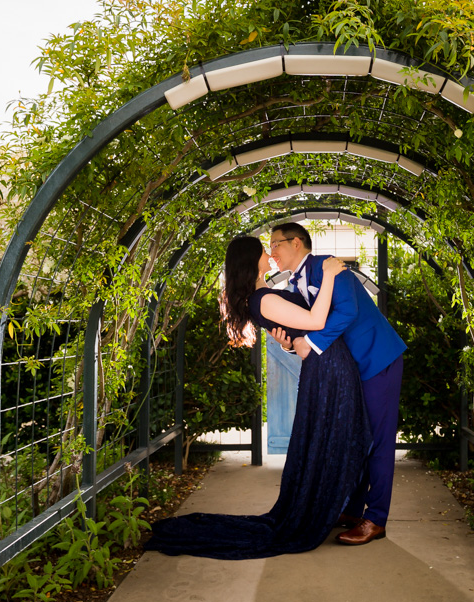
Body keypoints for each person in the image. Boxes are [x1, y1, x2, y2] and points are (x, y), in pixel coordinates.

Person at [144, 235, 373, 559]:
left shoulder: (264, 295)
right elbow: (315, 321)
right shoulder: (262, 299)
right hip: (328, 367)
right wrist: (333, 275)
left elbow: (298, 331)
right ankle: (322, 509)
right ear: (251, 260)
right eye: (263, 250)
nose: (269, 253)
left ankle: (328, 506)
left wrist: (288, 342)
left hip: (326, 364)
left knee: (335, 438)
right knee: (337, 437)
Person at [268, 222, 405, 546]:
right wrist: (290, 343)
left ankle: (376, 519)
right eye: (270, 246)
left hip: (378, 359)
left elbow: (348, 310)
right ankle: (352, 510)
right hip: (352, 370)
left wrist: (310, 344)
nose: (272, 251)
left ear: (297, 243)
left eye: (276, 244)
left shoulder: (330, 267)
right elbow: (302, 328)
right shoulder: (294, 284)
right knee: (355, 437)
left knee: (378, 443)